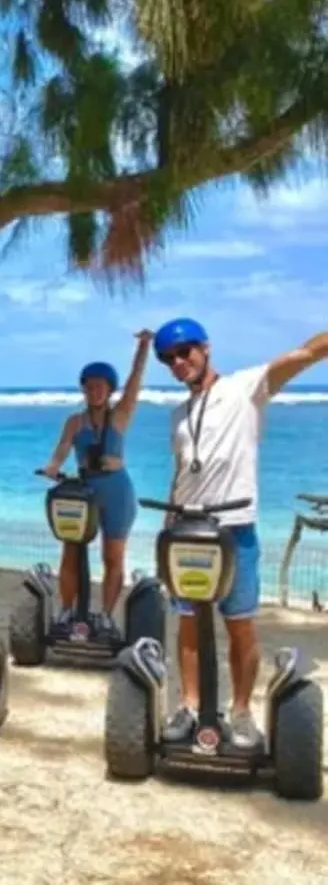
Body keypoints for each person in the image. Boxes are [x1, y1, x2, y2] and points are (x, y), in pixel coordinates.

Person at [153, 317, 327, 750]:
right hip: (187, 533)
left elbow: (304, 355)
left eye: (185, 352)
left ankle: (242, 710)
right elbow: (181, 474)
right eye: (168, 359)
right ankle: (190, 706)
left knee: (240, 627)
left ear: (205, 348)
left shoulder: (246, 387)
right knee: (188, 625)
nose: (178, 363)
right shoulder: (179, 415)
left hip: (235, 531)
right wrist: (165, 529)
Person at [40, 329, 152, 642]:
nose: (95, 391)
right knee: (71, 551)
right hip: (84, 491)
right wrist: (53, 467)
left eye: (101, 387)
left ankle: (105, 616)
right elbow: (62, 449)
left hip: (117, 490)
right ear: (84, 390)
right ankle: (66, 610)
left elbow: (134, 382)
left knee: (113, 556)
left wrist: (143, 348)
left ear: (109, 390)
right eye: (90, 387)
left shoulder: (120, 416)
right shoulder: (75, 422)